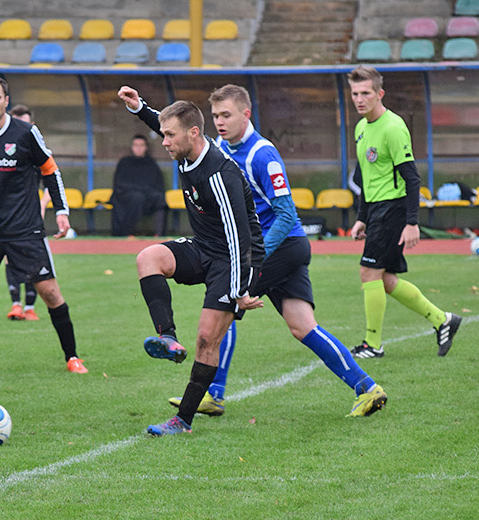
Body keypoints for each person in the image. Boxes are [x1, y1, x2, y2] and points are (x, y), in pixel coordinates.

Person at [120, 84, 388, 420]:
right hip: (261, 248)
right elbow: (175, 129)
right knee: (302, 326)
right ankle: (366, 387)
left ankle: (212, 393)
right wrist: (140, 108)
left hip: (279, 246)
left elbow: (287, 215)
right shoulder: (219, 147)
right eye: (215, 115)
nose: (219, 122)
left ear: (246, 114)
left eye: (226, 115)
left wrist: (251, 262)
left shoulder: (263, 154)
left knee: (224, 305)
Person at [115, 97, 266, 436]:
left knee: (206, 340)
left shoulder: (220, 173)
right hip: (205, 247)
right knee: (148, 258)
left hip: (235, 259)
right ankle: (167, 338)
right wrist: (139, 107)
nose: (164, 142)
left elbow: (240, 236)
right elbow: (167, 123)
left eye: (170, 136)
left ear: (193, 133)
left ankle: (182, 420)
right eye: (164, 134)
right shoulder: (186, 147)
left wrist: (240, 289)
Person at [0, 76, 87, 374]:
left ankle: (72, 357)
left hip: (25, 229)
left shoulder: (26, 132)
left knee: (49, 292)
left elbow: (50, 170)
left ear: (6, 100)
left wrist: (61, 210)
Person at [347, 66, 461, 358]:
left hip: (393, 209)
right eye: (355, 93)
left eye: (365, 93)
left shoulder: (394, 127)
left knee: (368, 272)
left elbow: (412, 179)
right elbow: (365, 180)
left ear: (379, 94)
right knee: (384, 279)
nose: (359, 99)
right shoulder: (361, 128)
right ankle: (443, 320)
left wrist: (412, 223)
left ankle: (373, 345)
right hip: (376, 211)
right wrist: (361, 218)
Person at [5, 104, 40, 321]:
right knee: (10, 260)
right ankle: (16, 305)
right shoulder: (3, 148)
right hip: (7, 217)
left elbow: (49, 179)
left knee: (32, 260)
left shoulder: (37, 150)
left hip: (30, 217)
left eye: (25, 123)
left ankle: (30, 307)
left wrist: (44, 206)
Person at [109, 134, 167, 237]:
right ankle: (127, 233)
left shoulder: (151, 163)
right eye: (136, 145)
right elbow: (119, 184)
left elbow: (157, 184)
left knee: (160, 198)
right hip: (128, 195)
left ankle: (159, 234)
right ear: (132, 147)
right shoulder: (124, 162)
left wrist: (147, 191)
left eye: (141, 145)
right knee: (137, 198)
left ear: (146, 147)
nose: (138, 148)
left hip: (148, 194)